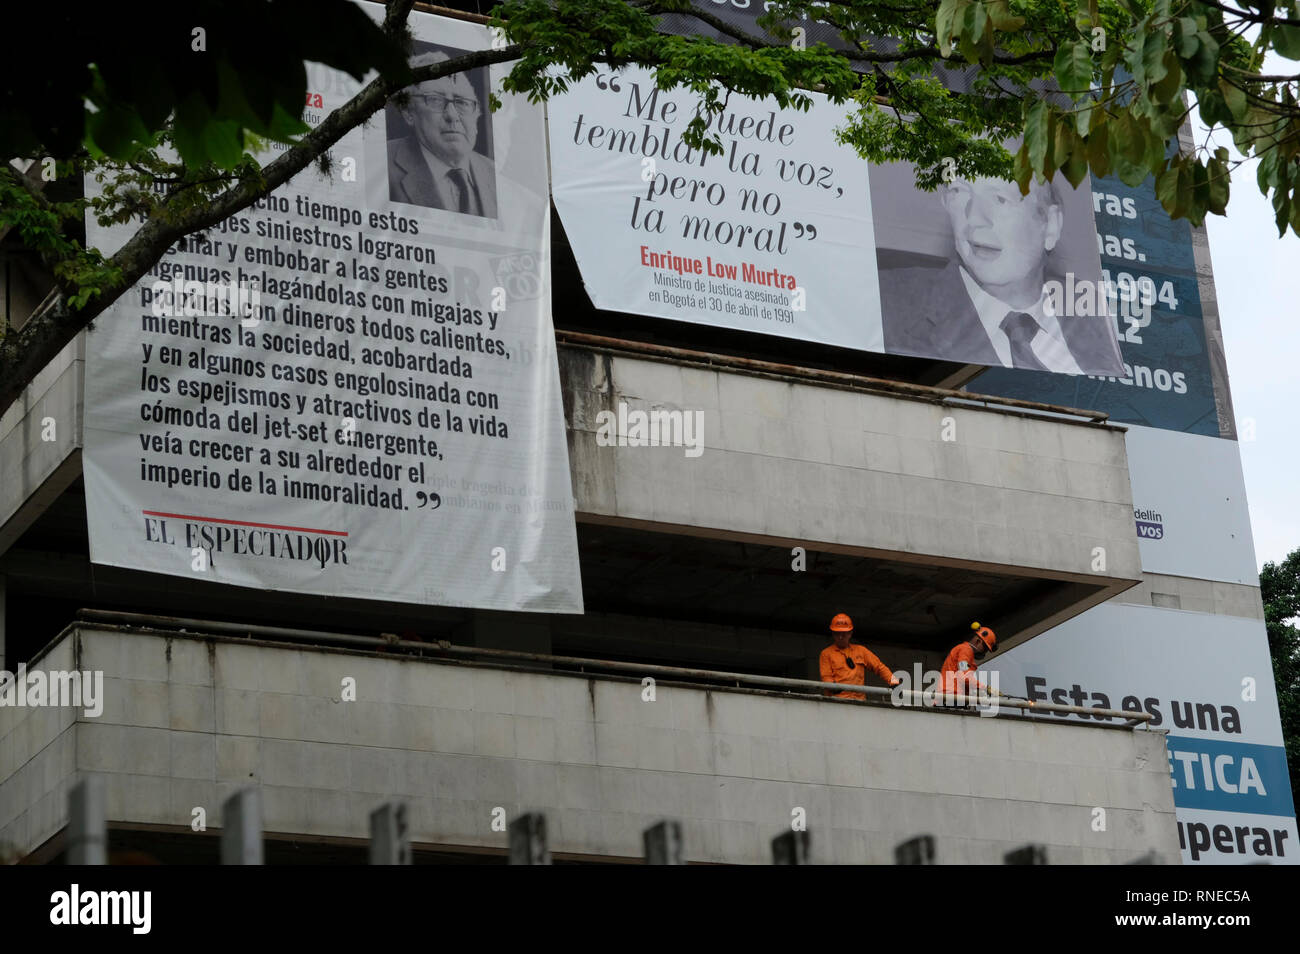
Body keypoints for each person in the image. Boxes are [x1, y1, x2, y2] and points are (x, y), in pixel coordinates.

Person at [879, 176, 1121, 375]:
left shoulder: (1099, 315)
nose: (974, 218)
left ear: (1050, 225)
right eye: (959, 192)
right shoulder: (888, 304)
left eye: (1000, 198)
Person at [387, 49, 498, 218]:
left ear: (476, 114)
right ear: (409, 112)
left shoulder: (495, 175)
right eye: (436, 100)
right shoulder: (383, 163)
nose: (452, 115)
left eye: (462, 103)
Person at [819, 613, 901, 700]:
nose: (840, 637)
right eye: (837, 633)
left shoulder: (861, 651)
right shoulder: (826, 654)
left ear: (850, 633)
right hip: (837, 701)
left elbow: (879, 667)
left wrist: (894, 682)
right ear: (833, 634)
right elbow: (826, 676)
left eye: (843, 634)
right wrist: (832, 687)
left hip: (859, 701)